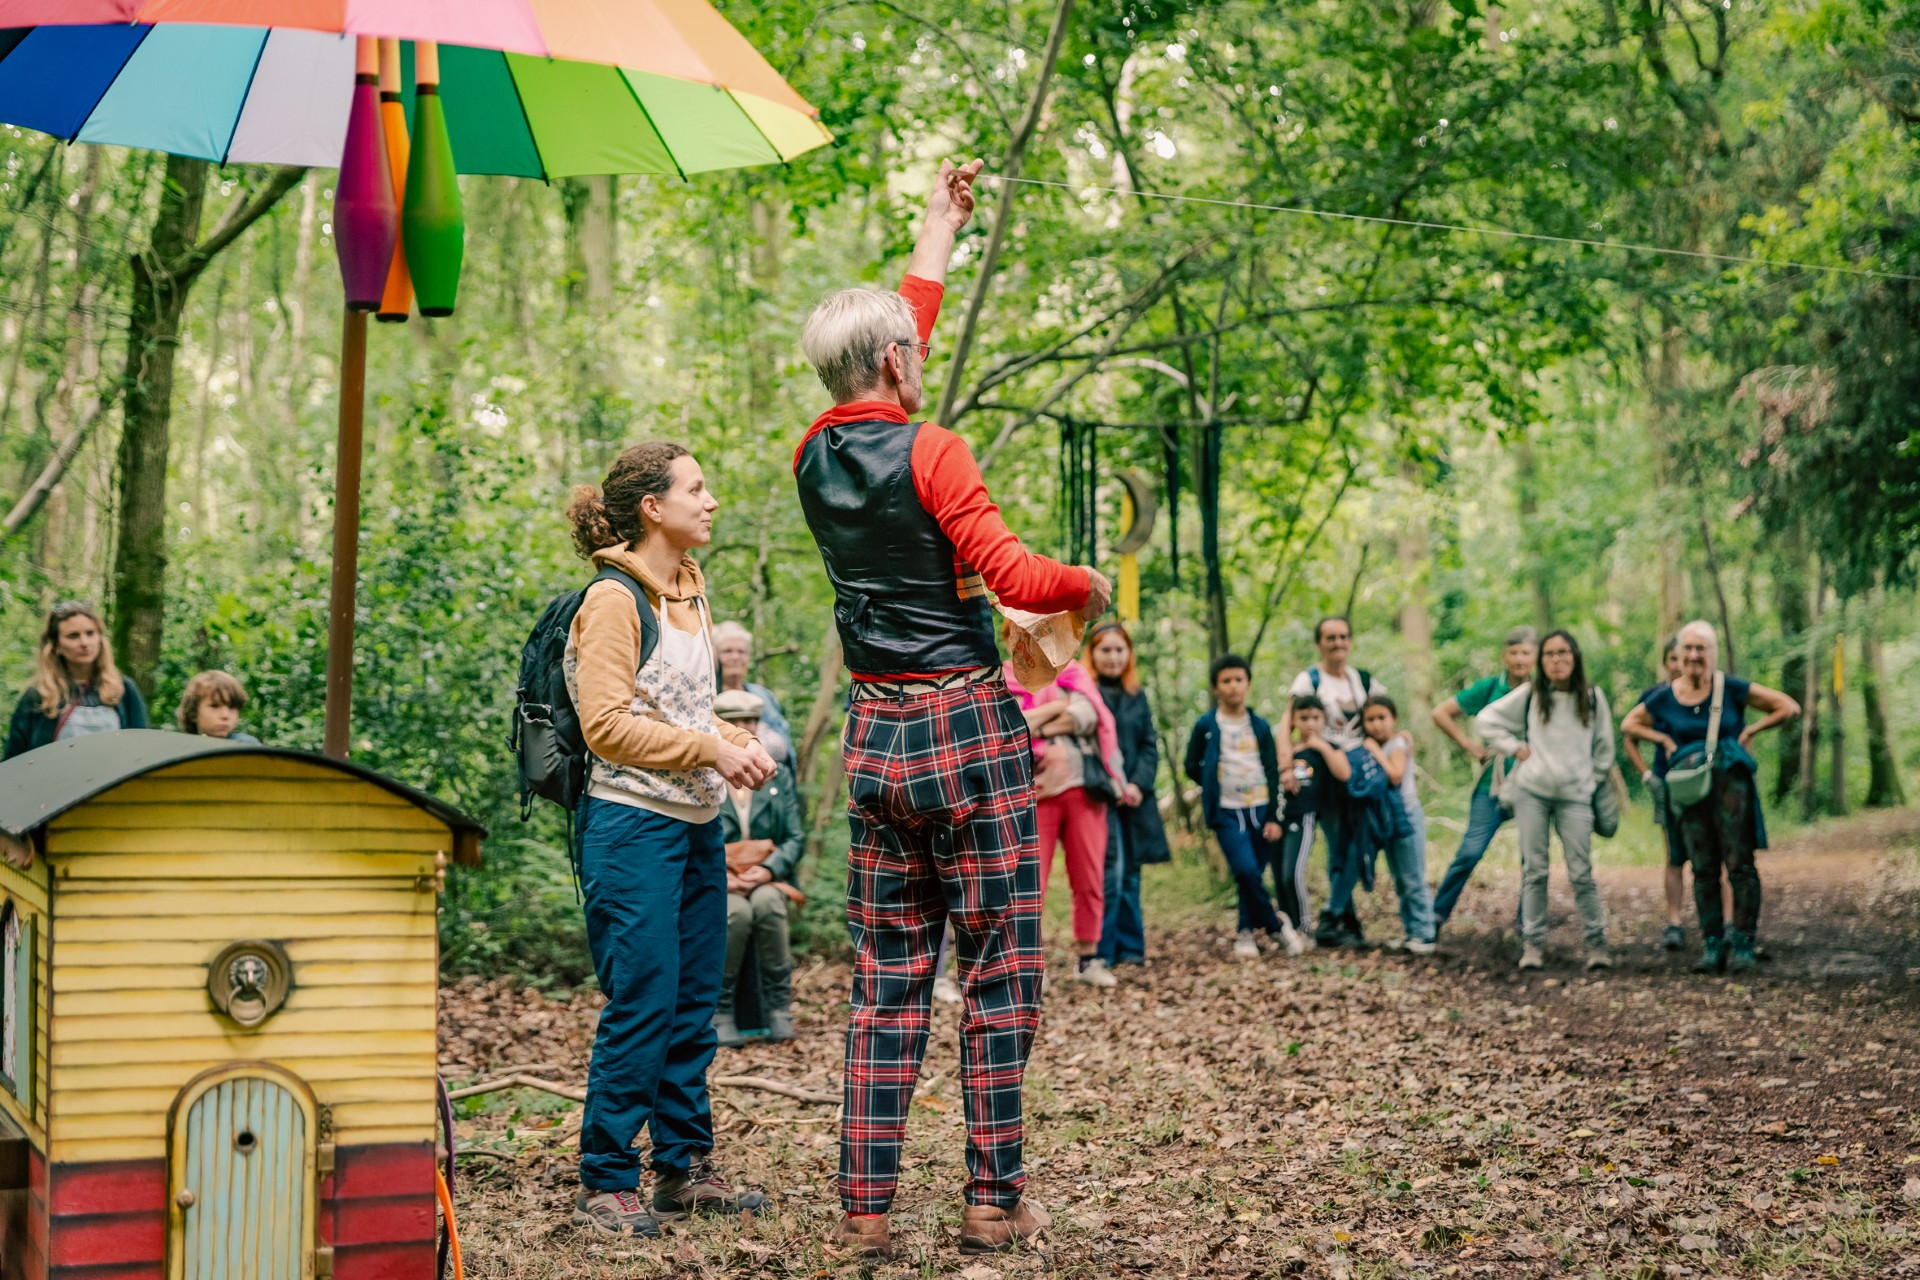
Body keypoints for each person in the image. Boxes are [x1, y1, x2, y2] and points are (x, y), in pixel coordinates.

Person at [795, 158, 1111, 1259]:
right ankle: (990, 1201)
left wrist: (940, 227)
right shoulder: (934, 449)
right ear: (895, 362)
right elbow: (1016, 576)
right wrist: (1088, 585)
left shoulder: (813, 452)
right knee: (997, 974)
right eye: (911, 348)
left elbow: (894, 335)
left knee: (887, 985)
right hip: (969, 730)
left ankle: (864, 1213)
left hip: (877, 739)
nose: (919, 353)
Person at [564, 441, 779, 1238]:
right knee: (645, 999)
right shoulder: (613, 600)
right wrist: (709, 749)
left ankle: (683, 1169)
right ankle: (606, 1179)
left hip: (694, 828)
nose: (710, 500)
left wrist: (736, 741)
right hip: (630, 828)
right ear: (653, 507)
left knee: (692, 1002)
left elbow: (681, 711)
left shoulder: (690, 591)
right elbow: (606, 725)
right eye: (696, 488)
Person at [1621, 620, 1799, 974]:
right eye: (1687, 648)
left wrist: (1751, 730)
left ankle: (1743, 943)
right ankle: (1712, 944)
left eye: (1701, 648)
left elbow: (1788, 707)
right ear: (1678, 654)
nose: (1693, 655)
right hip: (1689, 795)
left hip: (1731, 791)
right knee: (1702, 868)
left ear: (1713, 653)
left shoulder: (1731, 688)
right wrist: (1662, 739)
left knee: (1740, 864)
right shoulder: (1663, 697)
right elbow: (1629, 725)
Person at [1475, 629, 1615, 972]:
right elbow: (1486, 720)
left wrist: (1590, 780)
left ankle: (1597, 945)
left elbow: (1604, 748)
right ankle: (1533, 946)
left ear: (1575, 656)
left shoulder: (1592, 697)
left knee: (1581, 872)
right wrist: (1514, 748)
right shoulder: (1531, 694)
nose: (1557, 660)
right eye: (1549, 654)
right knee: (1534, 871)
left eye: (1563, 652)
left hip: (1575, 797)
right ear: (1542, 661)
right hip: (1532, 793)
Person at [1005, 649, 1124, 987]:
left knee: (1089, 878)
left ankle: (1088, 960)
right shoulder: (1006, 677)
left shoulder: (1073, 673)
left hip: (1084, 790)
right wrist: (1059, 707)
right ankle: (1030, 965)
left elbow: (1087, 716)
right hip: (1033, 793)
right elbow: (1010, 724)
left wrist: (1037, 723)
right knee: (1030, 883)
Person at [1184, 655, 1304, 959]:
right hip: (1226, 811)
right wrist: (1212, 783)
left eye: (1238, 679)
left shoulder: (1259, 726)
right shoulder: (1206, 725)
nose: (1233, 686)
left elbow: (1272, 770)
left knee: (1251, 877)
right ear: (1215, 688)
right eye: (1226, 681)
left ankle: (1245, 932)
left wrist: (1274, 817)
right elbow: (1191, 764)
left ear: (1248, 684)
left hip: (1260, 809)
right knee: (1245, 870)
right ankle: (1277, 925)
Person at [1277, 616, 1386, 947]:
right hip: (1322, 773)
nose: (1337, 643)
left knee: (1357, 843)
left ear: (1350, 641)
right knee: (1336, 844)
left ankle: (1340, 916)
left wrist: (1397, 744)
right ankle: (1338, 919)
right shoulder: (1309, 680)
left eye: (1343, 637)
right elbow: (1286, 724)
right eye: (1330, 638)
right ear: (1319, 643)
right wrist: (1285, 767)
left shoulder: (1363, 680)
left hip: (1356, 774)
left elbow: (1383, 718)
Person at [712, 689, 806, 1048]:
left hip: (766, 876)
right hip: (721, 879)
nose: (743, 727)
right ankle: (721, 1010)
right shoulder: (703, 773)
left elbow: (794, 837)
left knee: (768, 905)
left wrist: (768, 870)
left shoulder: (777, 776)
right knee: (735, 913)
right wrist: (720, 875)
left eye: (749, 721)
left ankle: (778, 1007)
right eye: (734, 721)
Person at [1427, 626, 1537, 931]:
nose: (1520, 659)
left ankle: (1528, 924)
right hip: (1493, 782)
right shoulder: (1489, 688)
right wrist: (1470, 746)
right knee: (1470, 851)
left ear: (1535, 656)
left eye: (1526, 653)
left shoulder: (1544, 690)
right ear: (1504, 656)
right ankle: (1435, 917)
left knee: (1533, 858)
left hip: (1533, 783)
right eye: (1514, 653)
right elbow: (1440, 713)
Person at [1086, 622, 1170, 968]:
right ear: (1092, 653)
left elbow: (1149, 744)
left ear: (1129, 654)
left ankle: (1131, 947)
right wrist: (1112, 787)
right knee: (1110, 872)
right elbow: (1084, 749)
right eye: (1105, 650)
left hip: (1135, 798)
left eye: (1119, 650)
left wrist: (1136, 784)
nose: (1113, 657)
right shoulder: (1084, 693)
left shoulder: (1138, 694)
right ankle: (1102, 949)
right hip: (1101, 797)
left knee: (1131, 872)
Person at [6, 600, 149, 760]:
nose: (84, 643)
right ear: (56, 645)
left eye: (90, 633)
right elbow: (14, 761)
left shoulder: (123, 689)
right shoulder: (39, 695)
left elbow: (142, 750)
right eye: (73, 636)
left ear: (100, 638)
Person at [1271, 694, 1351, 950]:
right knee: (1279, 878)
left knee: (1292, 875)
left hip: (1305, 818)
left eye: (1315, 717)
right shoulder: (1288, 753)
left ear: (1323, 719)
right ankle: (1289, 930)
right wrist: (1288, 711)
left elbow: (1344, 772)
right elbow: (1282, 743)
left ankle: (1304, 928)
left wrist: (1321, 746)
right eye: (1303, 718)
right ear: (1294, 720)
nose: (1310, 723)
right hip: (1280, 819)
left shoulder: (1328, 747)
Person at [1361, 696, 1436, 954]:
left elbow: (1395, 775)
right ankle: (1412, 932)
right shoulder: (1378, 745)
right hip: (1389, 820)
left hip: (1407, 816)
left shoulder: (1397, 744)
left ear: (1394, 719)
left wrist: (1374, 751)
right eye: (1370, 719)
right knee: (1401, 879)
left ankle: (1425, 934)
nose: (1376, 724)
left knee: (1413, 877)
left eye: (1382, 717)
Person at [712, 621, 794, 765]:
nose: (735, 657)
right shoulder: (706, 697)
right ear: (714, 657)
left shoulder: (764, 696)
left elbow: (785, 746)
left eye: (741, 652)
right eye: (727, 651)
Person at [176, 670, 260, 742]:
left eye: (232, 707)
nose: (225, 715)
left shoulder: (246, 746)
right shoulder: (181, 747)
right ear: (193, 712)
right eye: (215, 706)